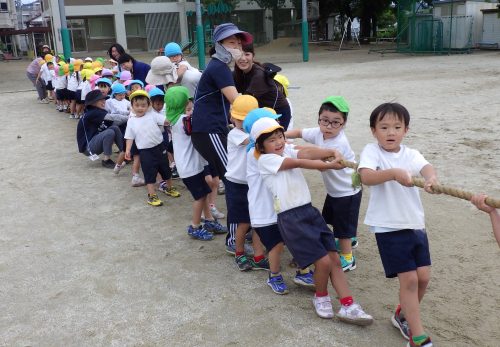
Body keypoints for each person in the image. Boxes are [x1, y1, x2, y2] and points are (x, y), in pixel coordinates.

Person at [252, 116, 373, 325]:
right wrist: (326, 165)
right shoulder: (265, 160)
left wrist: (330, 152)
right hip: (291, 219)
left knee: (334, 259)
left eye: (280, 136)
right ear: (261, 146)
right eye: (272, 140)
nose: (279, 141)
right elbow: (297, 162)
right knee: (323, 261)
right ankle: (321, 296)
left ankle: (348, 304)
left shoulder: (284, 149)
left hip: (309, 211)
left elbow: (304, 151)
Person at [358, 103, 438, 347]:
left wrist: (431, 178)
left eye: (396, 127)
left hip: (415, 224)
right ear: (374, 130)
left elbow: (426, 167)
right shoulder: (372, 151)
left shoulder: (410, 154)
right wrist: (392, 173)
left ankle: (401, 315)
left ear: (406, 130)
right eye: (383, 127)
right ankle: (417, 336)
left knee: (423, 277)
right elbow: (366, 176)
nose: (390, 132)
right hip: (388, 227)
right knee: (410, 280)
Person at [286, 96, 361, 272]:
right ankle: (350, 238)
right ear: (319, 118)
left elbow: (322, 167)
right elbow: (298, 132)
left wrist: (294, 154)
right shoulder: (319, 133)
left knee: (343, 226)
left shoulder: (339, 143)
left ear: (343, 124)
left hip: (347, 191)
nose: (328, 126)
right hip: (334, 191)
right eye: (325, 120)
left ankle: (348, 257)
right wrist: (281, 136)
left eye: (336, 123)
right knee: (334, 218)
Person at [191, 22, 252, 179]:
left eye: (239, 43)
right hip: (209, 129)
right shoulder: (219, 67)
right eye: (231, 42)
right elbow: (235, 100)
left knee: (228, 172)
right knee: (232, 174)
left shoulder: (219, 66)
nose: (237, 47)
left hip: (212, 128)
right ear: (219, 45)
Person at [166, 86, 227, 239]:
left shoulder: (175, 117)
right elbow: (199, 120)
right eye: (187, 103)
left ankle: (209, 220)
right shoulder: (183, 121)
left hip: (194, 165)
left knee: (205, 191)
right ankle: (194, 226)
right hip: (189, 168)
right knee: (199, 196)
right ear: (182, 104)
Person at [225, 95, 268, 271]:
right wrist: (269, 133)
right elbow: (251, 141)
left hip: (252, 183)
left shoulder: (256, 135)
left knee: (257, 221)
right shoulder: (234, 134)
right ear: (231, 117)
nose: (241, 123)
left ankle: (258, 256)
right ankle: (239, 252)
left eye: (246, 119)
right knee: (243, 222)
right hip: (236, 184)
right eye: (238, 119)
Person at [124, 90, 171, 206]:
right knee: (149, 174)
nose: (140, 108)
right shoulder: (131, 121)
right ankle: (152, 195)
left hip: (160, 147)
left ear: (149, 105)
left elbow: (166, 121)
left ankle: (169, 188)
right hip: (145, 151)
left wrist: (174, 113)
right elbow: (129, 137)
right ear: (132, 106)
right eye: (137, 105)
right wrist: (128, 150)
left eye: (143, 105)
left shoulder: (153, 115)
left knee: (166, 170)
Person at [233, 44, 292, 130]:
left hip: (277, 112)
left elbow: (246, 102)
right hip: (262, 112)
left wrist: (232, 117)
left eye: (247, 54)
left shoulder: (258, 75)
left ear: (253, 56)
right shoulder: (239, 72)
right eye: (239, 55)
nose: (243, 58)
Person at [76, 90, 127, 170]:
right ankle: (106, 160)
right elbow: (114, 118)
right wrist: (131, 118)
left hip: (94, 141)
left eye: (104, 99)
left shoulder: (97, 111)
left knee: (114, 128)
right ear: (93, 102)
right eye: (100, 100)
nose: (104, 101)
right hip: (88, 148)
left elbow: (114, 121)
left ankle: (125, 153)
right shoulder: (92, 113)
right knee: (109, 132)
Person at [149, 87, 181, 198]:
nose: (160, 106)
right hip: (152, 139)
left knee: (164, 158)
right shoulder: (149, 113)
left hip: (163, 135)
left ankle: (168, 176)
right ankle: (160, 181)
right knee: (155, 161)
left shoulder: (165, 108)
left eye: (162, 104)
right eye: (157, 104)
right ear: (151, 103)